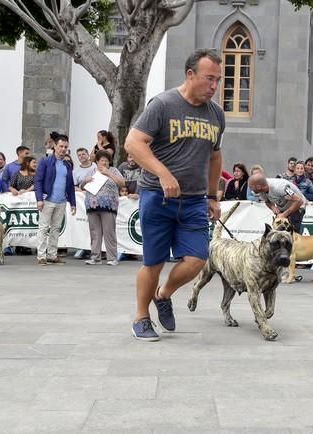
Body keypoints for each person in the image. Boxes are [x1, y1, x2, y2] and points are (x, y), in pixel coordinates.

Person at [124, 48, 225, 342]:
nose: (214, 86)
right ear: (190, 74)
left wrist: (212, 196)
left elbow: (215, 156)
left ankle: (163, 295)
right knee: (153, 262)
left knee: (197, 258)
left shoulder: (216, 114)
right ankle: (141, 317)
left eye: (218, 80)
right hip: (158, 196)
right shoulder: (163, 104)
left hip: (194, 200)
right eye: (209, 79)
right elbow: (133, 143)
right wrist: (163, 173)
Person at [34, 134, 76, 265]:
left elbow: (70, 185)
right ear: (54, 146)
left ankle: (52, 255)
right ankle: (41, 256)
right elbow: (38, 181)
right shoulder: (45, 162)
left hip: (62, 201)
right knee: (43, 228)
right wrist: (39, 199)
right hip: (47, 200)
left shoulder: (67, 164)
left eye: (65, 147)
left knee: (56, 229)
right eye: (61, 146)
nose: (63, 149)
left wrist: (73, 203)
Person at [81, 150, 125, 266]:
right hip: (92, 205)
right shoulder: (91, 171)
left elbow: (122, 183)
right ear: (97, 161)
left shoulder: (114, 170)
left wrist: (108, 173)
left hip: (109, 205)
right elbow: (82, 186)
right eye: (102, 160)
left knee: (109, 231)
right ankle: (95, 257)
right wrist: (85, 180)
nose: (104, 162)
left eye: (106, 160)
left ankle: (112, 257)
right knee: (95, 232)